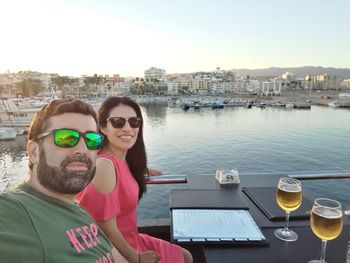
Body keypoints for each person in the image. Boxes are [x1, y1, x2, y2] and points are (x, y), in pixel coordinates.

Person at [0, 98, 126, 263]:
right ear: (34, 152)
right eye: (66, 137)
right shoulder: (15, 211)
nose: (83, 150)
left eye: (92, 140)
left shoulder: (75, 209)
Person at [77, 97, 193, 263]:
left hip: (131, 237)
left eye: (134, 122)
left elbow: (124, 174)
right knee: (184, 257)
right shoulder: (104, 166)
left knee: (185, 256)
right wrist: (137, 258)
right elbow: (106, 227)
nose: (127, 128)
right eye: (118, 122)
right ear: (103, 127)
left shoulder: (123, 160)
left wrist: (143, 171)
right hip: (113, 248)